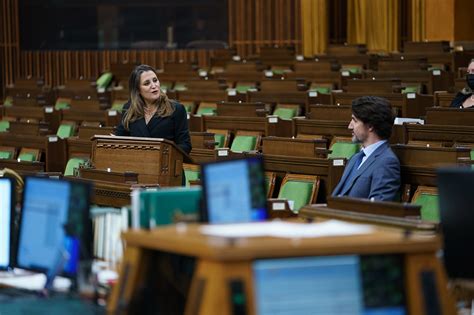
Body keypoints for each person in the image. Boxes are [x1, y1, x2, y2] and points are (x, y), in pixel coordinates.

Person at [332, 96, 400, 201]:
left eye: (354, 120)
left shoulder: (387, 162)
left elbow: (378, 208)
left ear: (370, 126)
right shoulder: (355, 158)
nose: (350, 126)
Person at [115, 64, 191, 154]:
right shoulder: (129, 109)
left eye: (155, 80)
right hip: (138, 165)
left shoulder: (176, 109)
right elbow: (120, 138)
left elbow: (185, 145)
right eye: (147, 83)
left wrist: (163, 154)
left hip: (166, 164)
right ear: (138, 90)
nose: (154, 85)